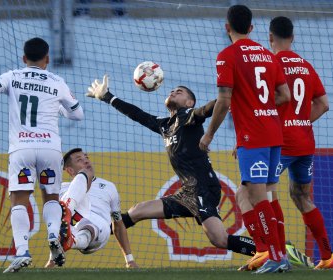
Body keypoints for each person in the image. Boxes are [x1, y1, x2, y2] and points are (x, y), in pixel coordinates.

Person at [86, 75, 257, 258]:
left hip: (203, 188)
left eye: (180, 91)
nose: (173, 91)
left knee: (219, 239)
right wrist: (107, 97)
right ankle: (91, 234)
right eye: (172, 90)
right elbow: (138, 115)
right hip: (186, 192)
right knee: (137, 211)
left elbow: (205, 111)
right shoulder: (165, 124)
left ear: (189, 102)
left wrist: (225, 98)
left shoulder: (188, 116)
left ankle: (271, 248)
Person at [0, 37, 84, 273]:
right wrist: (57, 106)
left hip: (21, 149)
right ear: (47, 59)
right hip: (50, 149)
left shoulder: (13, 76)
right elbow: (77, 114)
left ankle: (22, 252)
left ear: (23, 58)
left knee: (19, 199)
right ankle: (52, 235)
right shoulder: (57, 81)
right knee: (50, 198)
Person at [199, 5, 291, 273]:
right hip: (273, 132)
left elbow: (225, 99)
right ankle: (270, 252)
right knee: (253, 194)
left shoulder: (227, 56)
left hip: (254, 135)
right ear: (251, 28)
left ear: (227, 28)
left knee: (257, 195)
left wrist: (209, 133)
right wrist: (261, 108)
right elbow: (284, 95)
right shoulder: (267, 54)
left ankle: (276, 256)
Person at [269, 16, 331, 269]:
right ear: (293, 37)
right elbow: (324, 104)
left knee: (261, 193)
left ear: (270, 37)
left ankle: (276, 256)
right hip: (305, 142)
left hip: (280, 143)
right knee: (301, 196)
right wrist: (301, 121)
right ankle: (328, 256)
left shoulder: (271, 62)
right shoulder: (306, 65)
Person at [44, 148, 138, 269]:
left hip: (100, 228)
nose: (86, 161)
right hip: (74, 226)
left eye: (86, 158)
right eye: (80, 160)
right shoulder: (63, 188)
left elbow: (118, 224)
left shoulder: (109, 187)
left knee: (87, 224)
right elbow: (58, 222)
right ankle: (69, 242)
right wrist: (51, 262)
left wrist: (129, 260)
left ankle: (71, 240)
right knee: (59, 212)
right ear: (70, 170)